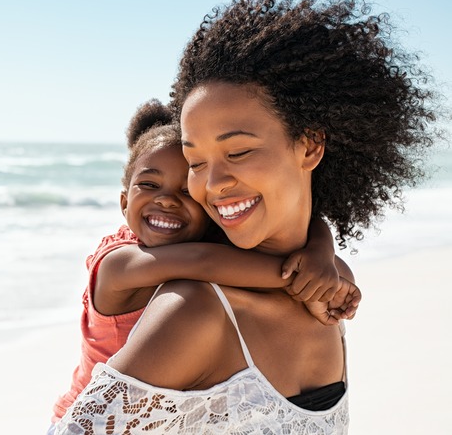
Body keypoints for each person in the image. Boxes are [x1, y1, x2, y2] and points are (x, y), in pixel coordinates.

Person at [54, 0, 440, 433]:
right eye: (196, 161)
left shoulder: (324, 287)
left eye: (238, 151)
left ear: (310, 147)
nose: (212, 183)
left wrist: (320, 251)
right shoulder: (194, 310)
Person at [50, 98, 360, 430]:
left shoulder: (199, 245)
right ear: (124, 201)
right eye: (149, 185)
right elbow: (205, 262)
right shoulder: (119, 262)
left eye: (186, 190)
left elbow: (301, 225)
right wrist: (304, 279)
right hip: (92, 411)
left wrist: (320, 251)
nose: (166, 199)